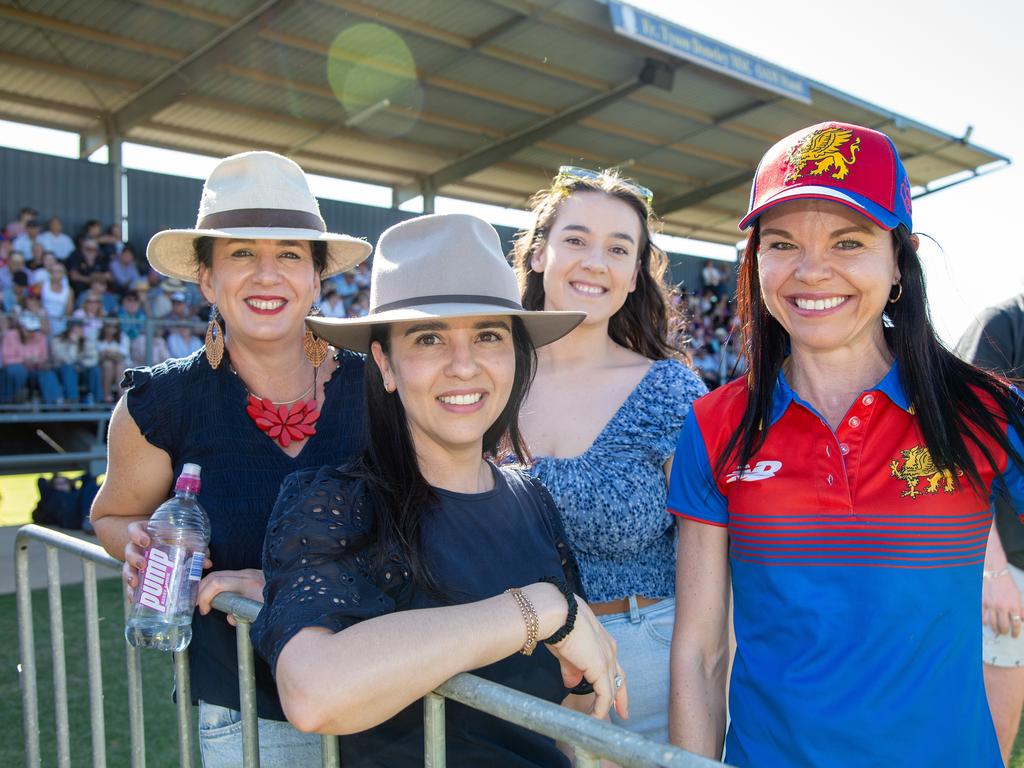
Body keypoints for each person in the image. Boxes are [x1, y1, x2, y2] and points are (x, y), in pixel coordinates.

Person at [667, 121, 1024, 767]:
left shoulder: (985, 410)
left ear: (898, 259)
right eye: (780, 243)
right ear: (755, 262)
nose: (810, 271)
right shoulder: (715, 424)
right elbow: (700, 651)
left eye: (848, 241)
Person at [251, 213, 625, 767]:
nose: (464, 365)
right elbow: (314, 694)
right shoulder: (335, 503)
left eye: (488, 336)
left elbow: (576, 700)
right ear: (385, 363)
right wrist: (537, 609)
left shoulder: (535, 503)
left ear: (516, 354)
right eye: (429, 338)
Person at [90, 150, 372, 768]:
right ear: (208, 279)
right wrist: (136, 540)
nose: (266, 275)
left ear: (317, 278)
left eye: (290, 255)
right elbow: (111, 517)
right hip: (247, 715)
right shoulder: (160, 403)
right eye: (242, 253)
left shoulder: (382, 387)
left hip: (389, 693)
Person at [510, 166, 706, 742]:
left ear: (633, 274)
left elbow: (712, 564)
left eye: (618, 249)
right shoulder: (482, 376)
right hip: (499, 664)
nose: (595, 261)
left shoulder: (669, 391)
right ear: (540, 253)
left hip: (636, 668)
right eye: (575, 240)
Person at [957, 292, 1024, 766]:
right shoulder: (1002, 326)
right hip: (1002, 570)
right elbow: (956, 452)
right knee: (989, 743)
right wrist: (993, 572)